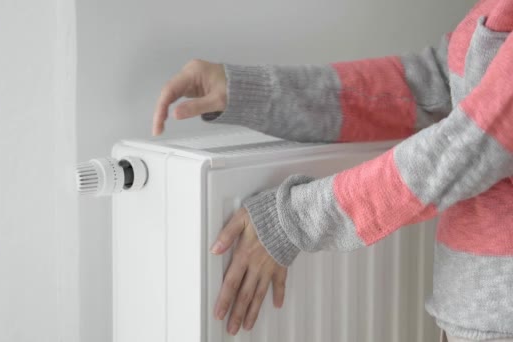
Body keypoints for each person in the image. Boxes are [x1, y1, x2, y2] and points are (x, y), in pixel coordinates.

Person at [151, 1, 513, 340]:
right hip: (473, 313)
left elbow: (467, 145)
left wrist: (294, 219)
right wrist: (247, 91)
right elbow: (427, 87)